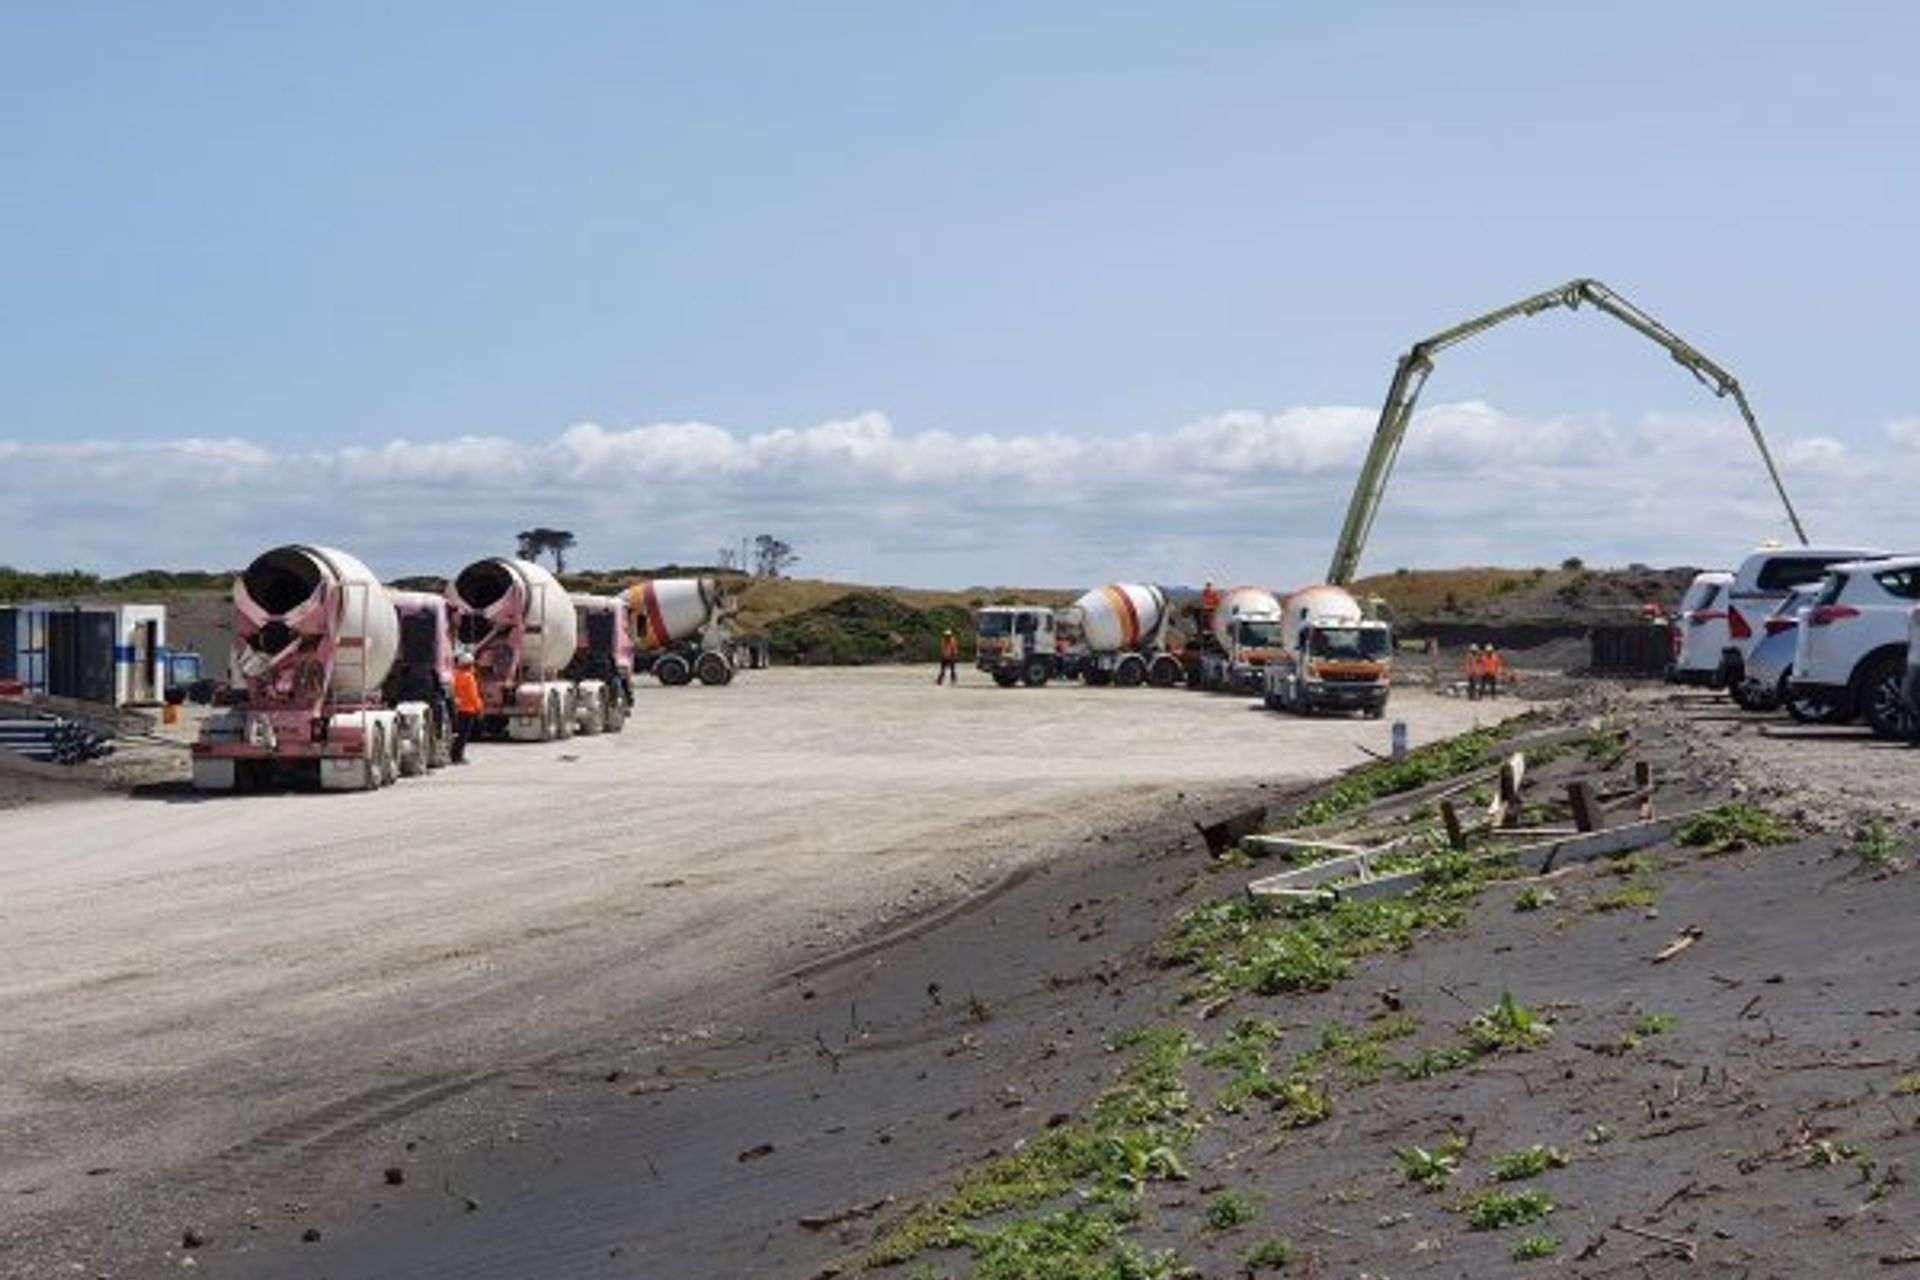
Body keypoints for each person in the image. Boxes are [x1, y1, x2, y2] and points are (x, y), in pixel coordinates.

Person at [450, 649, 483, 763]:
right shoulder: (469, 677)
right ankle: (458, 756)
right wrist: (479, 708)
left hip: (459, 709)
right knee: (464, 735)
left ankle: (454, 755)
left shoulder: (456, 675)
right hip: (469, 709)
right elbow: (473, 695)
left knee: (459, 734)